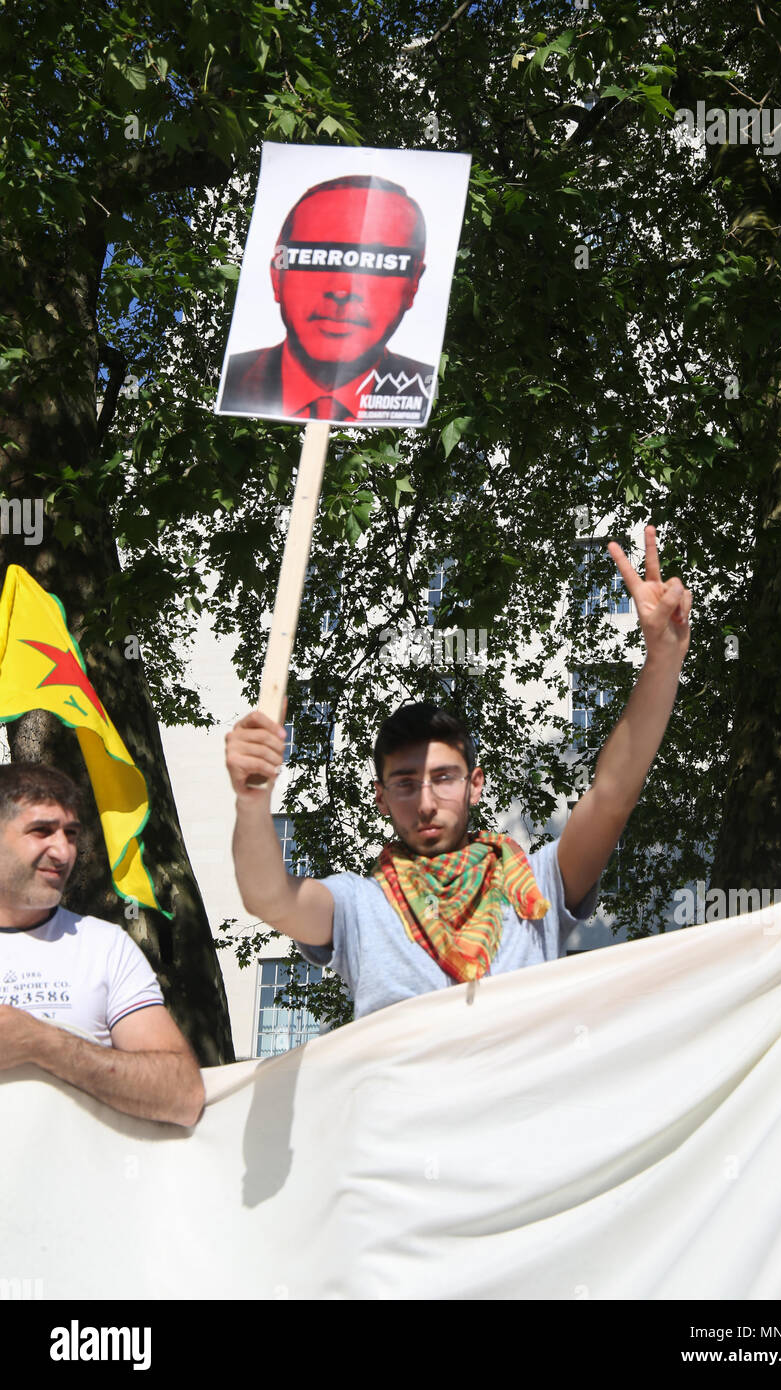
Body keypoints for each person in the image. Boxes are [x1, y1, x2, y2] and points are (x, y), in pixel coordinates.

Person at [225, 527, 692, 1022]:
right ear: (380, 798)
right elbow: (271, 899)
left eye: (443, 778)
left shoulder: (537, 885)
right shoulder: (359, 905)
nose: (425, 802)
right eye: (405, 784)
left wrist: (663, 658)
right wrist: (252, 802)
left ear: (475, 783)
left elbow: (612, 795)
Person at [0, 764, 204, 1127]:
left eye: (71, 834)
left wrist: (42, 1043)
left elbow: (182, 1095)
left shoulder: (104, 946)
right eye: (42, 831)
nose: (63, 852)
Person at [219, 174, 436, 425]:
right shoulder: (229, 382)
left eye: (376, 264)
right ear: (277, 276)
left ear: (414, 284)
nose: (342, 289)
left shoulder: (426, 394)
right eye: (319, 257)